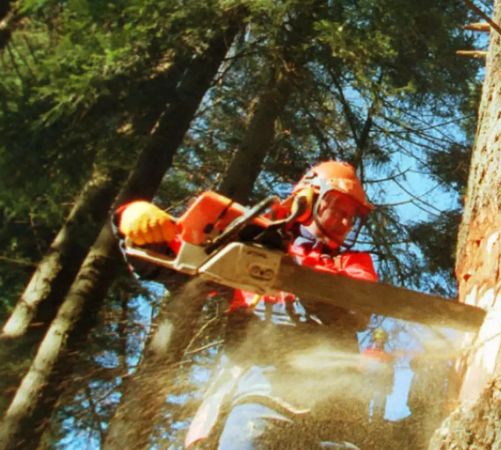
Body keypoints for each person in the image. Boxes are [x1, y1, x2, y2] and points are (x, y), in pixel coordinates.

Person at [116, 161, 377, 449]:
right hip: (260, 393)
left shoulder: (350, 263)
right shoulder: (252, 248)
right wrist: (138, 225)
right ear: (309, 199)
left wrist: (297, 272)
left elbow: (359, 307)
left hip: (336, 413)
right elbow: (181, 261)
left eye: (352, 218)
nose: (344, 222)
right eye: (339, 209)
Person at [359, 327, 394, 422]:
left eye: (381, 340)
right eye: (378, 340)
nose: (379, 342)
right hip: (367, 382)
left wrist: (389, 385)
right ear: (374, 339)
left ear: (384, 341)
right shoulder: (367, 353)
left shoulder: (387, 356)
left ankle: (377, 422)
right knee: (363, 404)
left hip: (380, 384)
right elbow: (360, 368)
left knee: (379, 405)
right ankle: (362, 421)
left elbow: (390, 372)